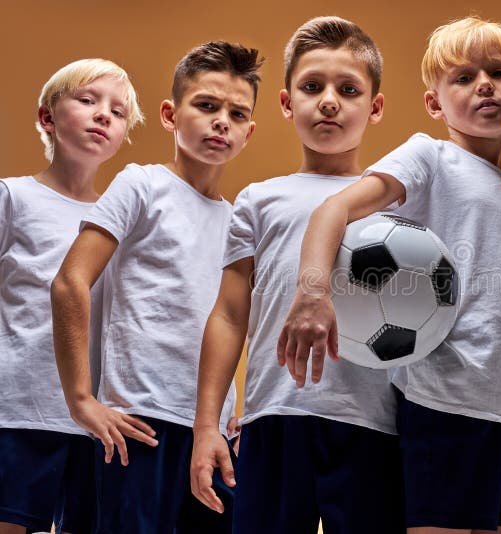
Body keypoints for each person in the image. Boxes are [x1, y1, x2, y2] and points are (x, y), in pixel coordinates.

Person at [278, 16, 501, 534]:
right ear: (434, 103)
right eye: (463, 78)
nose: (485, 84)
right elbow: (333, 210)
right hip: (447, 399)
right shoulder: (431, 157)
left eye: (497, 72)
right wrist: (312, 293)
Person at [189, 17, 404, 534]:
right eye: (312, 87)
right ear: (287, 104)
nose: (328, 101)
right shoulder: (260, 199)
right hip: (273, 418)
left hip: (373, 422)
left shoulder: (399, 207)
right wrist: (206, 426)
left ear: (374, 107)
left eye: (347, 89)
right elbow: (229, 313)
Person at [51, 41, 260, 534]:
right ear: (170, 114)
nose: (221, 121)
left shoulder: (238, 222)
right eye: (206, 106)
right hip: (138, 420)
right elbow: (70, 282)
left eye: (236, 113)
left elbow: (233, 319)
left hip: (210, 431)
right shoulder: (142, 184)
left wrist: (237, 406)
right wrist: (82, 398)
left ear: (250, 131)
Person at [0, 58, 142, 534]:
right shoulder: (13, 198)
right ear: (47, 117)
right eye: (87, 100)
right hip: (19, 409)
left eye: (118, 112)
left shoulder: (123, 219)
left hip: (98, 422)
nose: (104, 114)